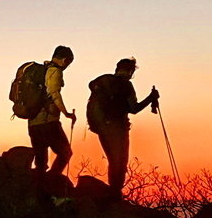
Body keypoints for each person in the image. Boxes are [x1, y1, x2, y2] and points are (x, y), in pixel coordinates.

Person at [87, 58, 160, 197]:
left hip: (101, 127)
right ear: (130, 71)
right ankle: (115, 194)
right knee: (120, 161)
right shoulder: (126, 85)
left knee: (112, 160)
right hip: (118, 129)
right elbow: (134, 109)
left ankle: (112, 193)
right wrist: (151, 98)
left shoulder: (103, 82)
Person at [28, 46, 76, 177]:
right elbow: (54, 93)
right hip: (49, 122)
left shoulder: (41, 71)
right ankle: (52, 182)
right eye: (68, 63)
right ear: (64, 60)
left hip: (33, 122)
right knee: (65, 153)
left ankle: (42, 194)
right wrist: (66, 113)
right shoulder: (54, 71)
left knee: (41, 164)